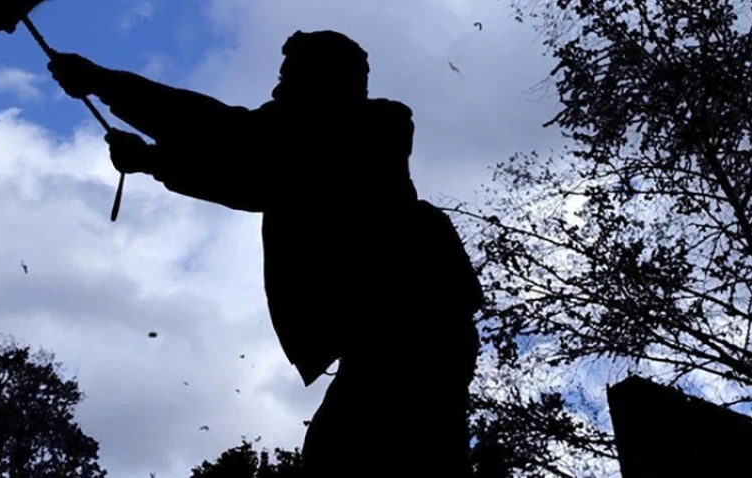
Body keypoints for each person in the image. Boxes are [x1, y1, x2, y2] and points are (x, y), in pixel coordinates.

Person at [48, 30, 482, 476]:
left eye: (289, 78)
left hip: (410, 337)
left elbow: (234, 143)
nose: (277, 89)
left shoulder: (364, 131)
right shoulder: (334, 140)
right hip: (407, 337)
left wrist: (108, 87)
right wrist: (153, 161)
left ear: (324, 81)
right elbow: (248, 172)